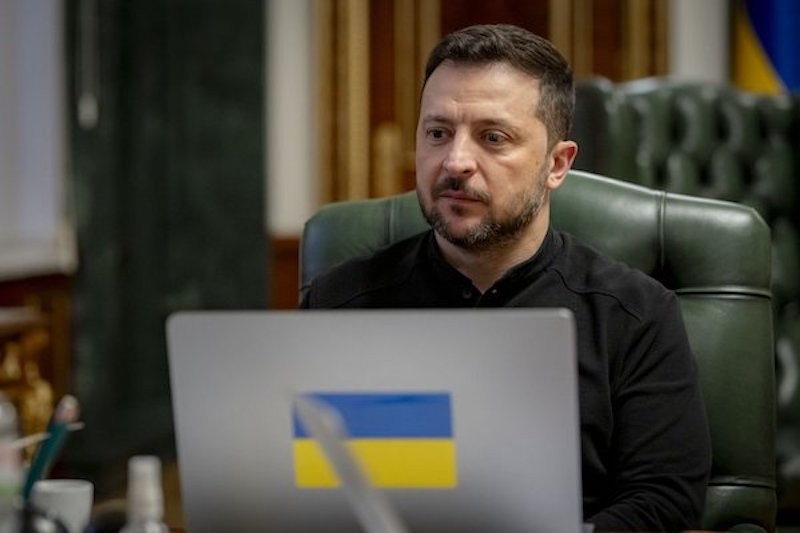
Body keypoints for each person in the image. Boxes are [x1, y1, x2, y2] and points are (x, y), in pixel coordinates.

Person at [300, 23, 711, 532]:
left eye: (493, 138)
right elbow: (302, 491)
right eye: (437, 133)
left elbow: (665, 500)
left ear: (557, 164)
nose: (456, 162)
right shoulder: (338, 303)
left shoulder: (637, 314)